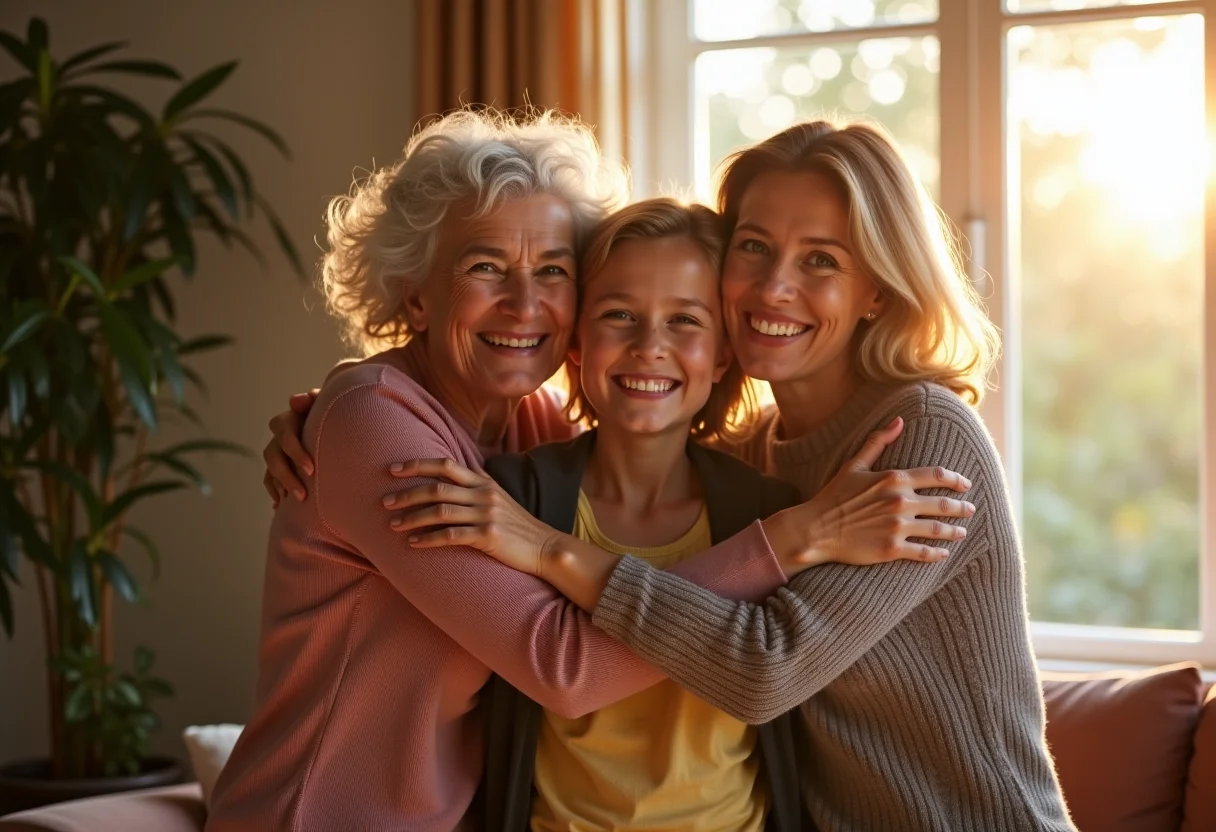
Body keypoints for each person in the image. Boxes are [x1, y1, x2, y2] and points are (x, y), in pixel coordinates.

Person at [220, 109, 972, 832]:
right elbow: (565, 666)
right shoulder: (373, 424)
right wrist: (793, 536)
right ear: (414, 293)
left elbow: (640, 427)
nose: (524, 303)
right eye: (486, 266)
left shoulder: (526, 427)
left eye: (550, 270)